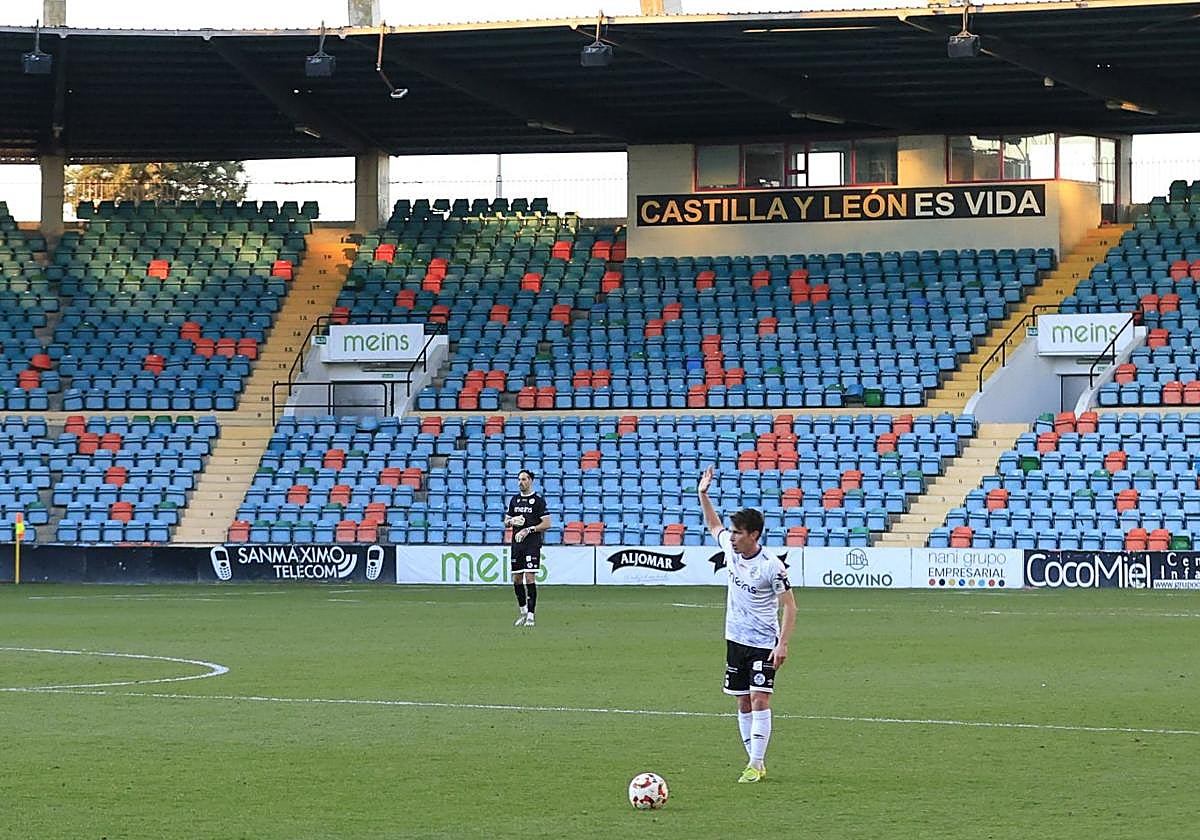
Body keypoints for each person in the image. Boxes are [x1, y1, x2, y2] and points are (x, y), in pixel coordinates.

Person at [697, 464, 797, 783]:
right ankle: (753, 760)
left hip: (763, 643)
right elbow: (713, 525)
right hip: (734, 639)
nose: (733, 537)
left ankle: (756, 763)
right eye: (733, 532)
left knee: (759, 698)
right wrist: (702, 493)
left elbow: (790, 607)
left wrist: (782, 644)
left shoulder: (772, 567)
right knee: (742, 701)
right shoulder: (731, 550)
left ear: (753, 534)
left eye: (739, 532)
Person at [503, 468, 552, 627]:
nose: (520, 482)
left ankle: (531, 615)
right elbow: (506, 521)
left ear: (531, 480)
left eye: (524, 479)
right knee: (517, 578)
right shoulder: (514, 500)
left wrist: (529, 529)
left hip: (532, 543)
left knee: (530, 577)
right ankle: (523, 612)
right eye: (519, 479)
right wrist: (512, 522)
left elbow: (547, 523)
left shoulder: (538, 501)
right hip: (517, 544)